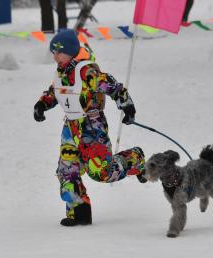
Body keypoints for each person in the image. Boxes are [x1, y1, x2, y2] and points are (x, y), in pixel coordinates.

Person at [34, 29, 146, 227]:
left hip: (92, 129)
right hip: (71, 128)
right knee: (67, 171)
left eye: (58, 52)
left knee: (101, 172)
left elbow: (113, 86)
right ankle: (80, 212)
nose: (54, 56)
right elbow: (55, 92)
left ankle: (135, 159)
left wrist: (126, 105)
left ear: (69, 51)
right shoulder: (61, 72)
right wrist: (42, 104)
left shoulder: (87, 72)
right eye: (53, 52)